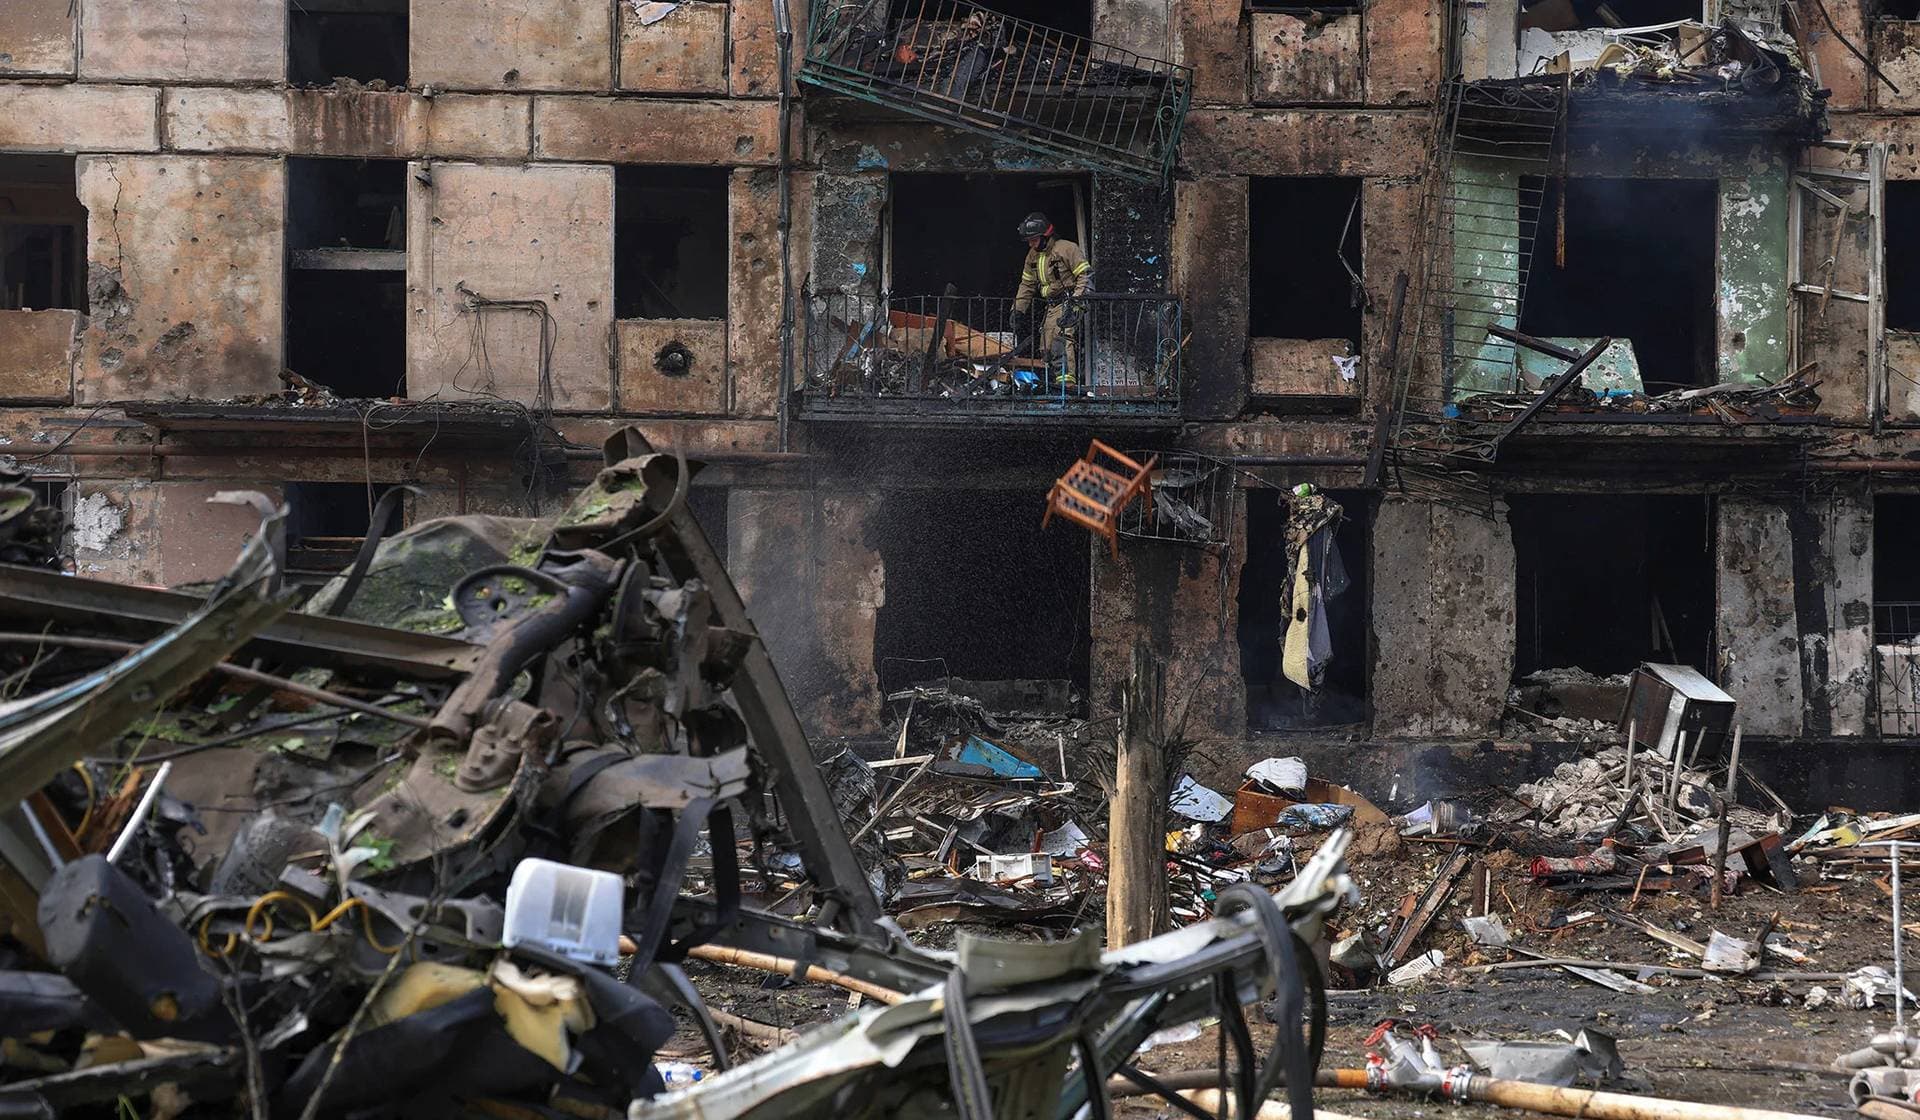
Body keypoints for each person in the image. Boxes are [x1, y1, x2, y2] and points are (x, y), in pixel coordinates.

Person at [1011, 212, 1091, 389]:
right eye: (1029, 240)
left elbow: (1085, 277)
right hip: (1052, 305)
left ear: (1045, 236)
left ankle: (1067, 385)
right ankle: (1054, 384)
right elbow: (1027, 284)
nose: (1031, 244)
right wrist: (1018, 309)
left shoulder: (1067, 248)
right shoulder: (1032, 256)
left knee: (1061, 340)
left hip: (1070, 300)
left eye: (1033, 240)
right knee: (1046, 346)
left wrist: (1076, 304)